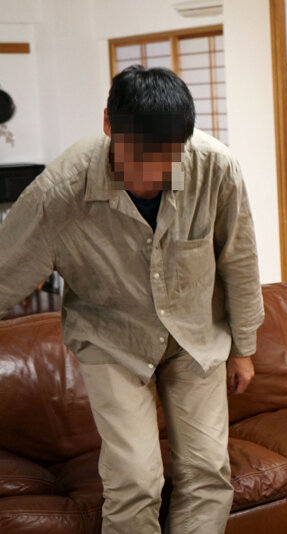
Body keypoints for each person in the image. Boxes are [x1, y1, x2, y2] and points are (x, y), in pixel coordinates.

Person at [0, 65, 264, 533]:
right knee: (136, 481)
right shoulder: (58, 193)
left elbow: (239, 258)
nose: (151, 174)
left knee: (208, 472)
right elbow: (5, 272)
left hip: (194, 335)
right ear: (108, 124)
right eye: (140, 156)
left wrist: (244, 346)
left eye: (167, 158)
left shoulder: (215, 167)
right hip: (112, 338)